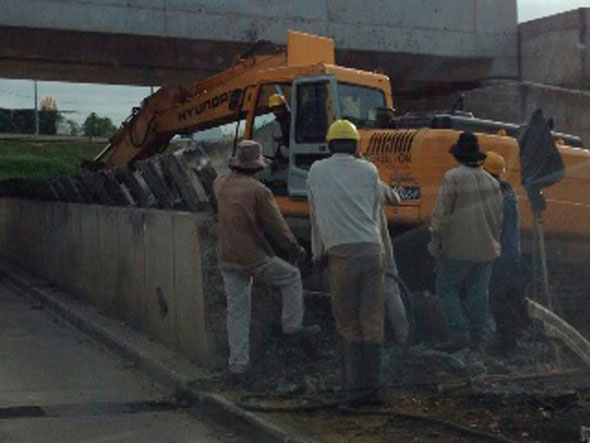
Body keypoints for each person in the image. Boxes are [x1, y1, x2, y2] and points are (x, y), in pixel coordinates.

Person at [214, 140, 317, 381]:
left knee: (237, 310)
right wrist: (295, 248)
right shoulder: (260, 191)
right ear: (257, 167)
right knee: (291, 277)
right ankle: (292, 328)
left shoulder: (220, 184)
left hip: (226, 255)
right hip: (252, 256)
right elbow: (278, 226)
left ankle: (238, 365)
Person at [307, 119, 385, 404]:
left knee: (348, 323)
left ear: (330, 144)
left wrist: (317, 254)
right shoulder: (369, 170)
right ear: (355, 145)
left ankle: (354, 392)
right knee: (372, 321)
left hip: (340, 254)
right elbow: (376, 211)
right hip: (371, 250)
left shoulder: (316, 171)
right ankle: (373, 391)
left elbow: (315, 216)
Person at [428, 131, 503, 353]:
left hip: (458, 249)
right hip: (487, 249)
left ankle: (459, 332)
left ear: (458, 155)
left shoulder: (453, 177)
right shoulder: (492, 182)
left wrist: (435, 242)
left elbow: (441, 215)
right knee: (479, 293)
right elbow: (499, 218)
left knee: (446, 288)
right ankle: (478, 339)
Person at [483, 151, 523, 355]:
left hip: (500, 255)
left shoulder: (498, 196)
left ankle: (506, 343)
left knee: (498, 298)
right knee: (508, 297)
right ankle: (510, 338)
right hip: (512, 253)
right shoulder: (508, 192)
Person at [378, 184, 410, 348]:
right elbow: (394, 198)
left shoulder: (333, 181)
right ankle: (402, 337)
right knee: (391, 291)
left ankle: (373, 340)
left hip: (347, 248)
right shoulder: (370, 177)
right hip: (379, 245)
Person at [269, 93, 291, 163]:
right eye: (273, 110)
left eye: (278, 109)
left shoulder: (292, 120)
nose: (276, 112)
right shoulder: (277, 122)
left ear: (284, 107)